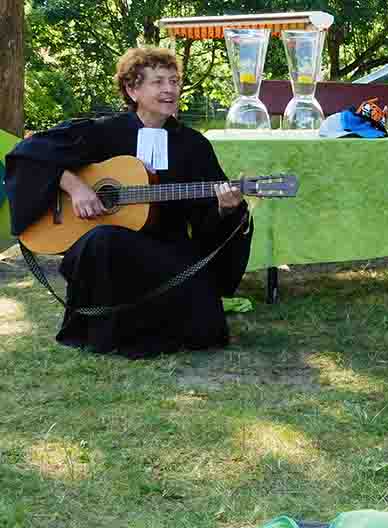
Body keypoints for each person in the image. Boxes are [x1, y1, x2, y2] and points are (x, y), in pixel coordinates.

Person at [5, 47, 253, 358]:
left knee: (207, 332)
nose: (169, 89)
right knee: (104, 239)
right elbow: (29, 153)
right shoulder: (103, 132)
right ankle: (103, 333)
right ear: (132, 89)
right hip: (102, 246)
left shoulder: (194, 145)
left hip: (167, 251)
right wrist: (77, 188)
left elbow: (206, 220)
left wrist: (225, 208)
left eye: (174, 81)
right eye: (158, 82)